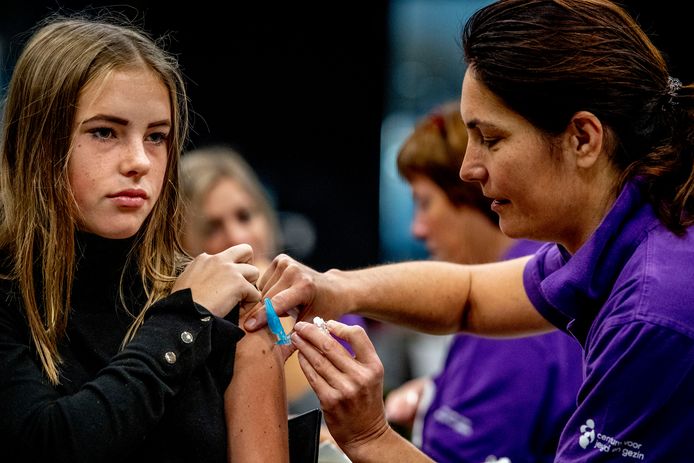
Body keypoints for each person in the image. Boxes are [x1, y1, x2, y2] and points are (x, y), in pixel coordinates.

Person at [246, 0, 694, 461]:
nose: (467, 169)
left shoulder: (651, 315)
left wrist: (369, 437)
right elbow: (470, 296)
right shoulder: (633, 233)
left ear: (583, 138)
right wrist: (334, 287)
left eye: (491, 139)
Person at [0, 14, 288, 462]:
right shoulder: (9, 297)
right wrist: (181, 322)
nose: (139, 161)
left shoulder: (226, 306)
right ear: (40, 142)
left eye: (157, 137)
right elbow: (50, 444)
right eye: (104, 132)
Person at [384, 100, 582, 462]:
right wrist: (436, 396)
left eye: (425, 202)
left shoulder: (515, 310)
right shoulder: (547, 269)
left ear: (470, 193)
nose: (417, 228)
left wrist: (365, 435)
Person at [179, 145, 320, 414]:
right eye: (212, 227)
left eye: (245, 216)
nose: (237, 236)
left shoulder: (326, 308)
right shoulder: (184, 332)